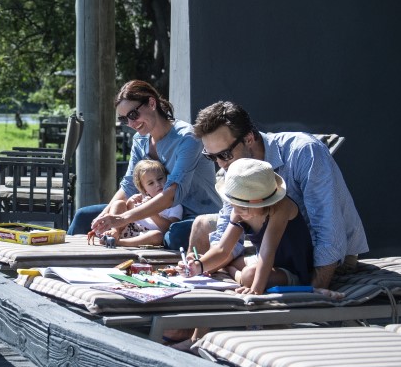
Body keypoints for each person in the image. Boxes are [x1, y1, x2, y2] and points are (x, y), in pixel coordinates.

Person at [190, 100, 368, 289]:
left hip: (323, 259)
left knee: (248, 272)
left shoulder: (303, 152)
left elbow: (329, 231)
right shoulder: (235, 170)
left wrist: (314, 291)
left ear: (249, 139)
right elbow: (227, 237)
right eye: (210, 157)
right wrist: (198, 265)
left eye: (224, 154)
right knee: (202, 226)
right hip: (276, 249)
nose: (220, 164)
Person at [67, 80, 220, 251]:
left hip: (193, 216)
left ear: (152, 103)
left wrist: (122, 219)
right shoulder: (140, 140)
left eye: (133, 115)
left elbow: (171, 195)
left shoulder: (187, 137)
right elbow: (129, 186)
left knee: (174, 236)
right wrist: (102, 220)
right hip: (151, 215)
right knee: (84, 217)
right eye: (124, 119)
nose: (131, 124)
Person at [186, 158, 314, 294]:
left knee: (249, 275)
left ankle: (233, 273)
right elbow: (222, 249)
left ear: (260, 202)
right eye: (233, 204)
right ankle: (230, 270)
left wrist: (256, 290)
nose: (237, 210)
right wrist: (197, 266)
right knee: (218, 263)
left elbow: (267, 252)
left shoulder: (282, 208)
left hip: (291, 270)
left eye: (243, 206)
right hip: (261, 261)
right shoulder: (239, 212)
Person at [91, 159, 182, 247]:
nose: (157, 184)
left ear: (167, 178)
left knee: (157, 236)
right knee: (119, 203)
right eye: (151, 183)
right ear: (144, 189)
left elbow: (170, 228)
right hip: (127, 229)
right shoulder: (141, 198)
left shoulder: (175, 204)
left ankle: (119, 242)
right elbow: (125, 216)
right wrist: (130, 203)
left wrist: (150, 211)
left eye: (160, 179)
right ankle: (115, 231)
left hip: (145, 236)